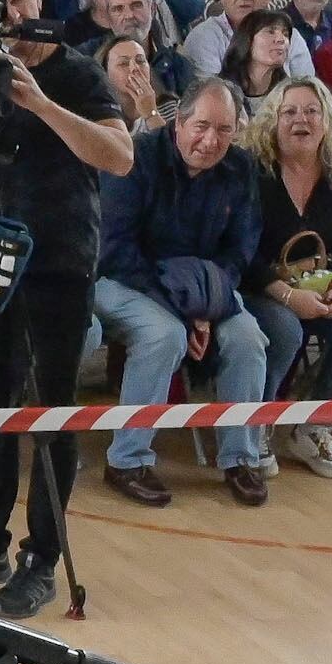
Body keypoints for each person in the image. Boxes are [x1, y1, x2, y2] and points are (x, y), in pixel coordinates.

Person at [0, 0, 133, 615]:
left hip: (61, 257)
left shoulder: (75, 70)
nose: (4, 17)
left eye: (13, 1)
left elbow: (119, 156)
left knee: (50, 414)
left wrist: (38, 104)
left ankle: (40, 558)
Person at [94, 79, 270, 509]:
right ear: (179, 123)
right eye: (202, 126)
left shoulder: (242, 169)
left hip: (204, 290)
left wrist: (207, 303)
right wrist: (184, 308)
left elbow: (241, 249)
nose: (211, 141)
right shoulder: (136, 159)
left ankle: (240, 457)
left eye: (224, 130)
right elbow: (116, 249)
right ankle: (127, 460)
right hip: (125, 279)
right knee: (164, 336)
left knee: (249, 339)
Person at [244, 75, 332, 479]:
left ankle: (315, 425)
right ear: (272, 120)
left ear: (328, 122)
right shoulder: (251, 169)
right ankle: (256, 424)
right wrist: (286, 295)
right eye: (289, 112)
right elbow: (238, 250)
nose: (300, 120)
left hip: (322, 284)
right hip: (259, 283)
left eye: (311, 111)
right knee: (284, 330)